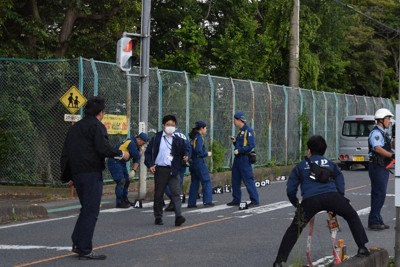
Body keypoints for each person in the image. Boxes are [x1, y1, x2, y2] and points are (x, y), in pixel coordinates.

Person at [273, 135, 369, 267]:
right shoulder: (330, 164)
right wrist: (338, 200)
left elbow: (290, 189)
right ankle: (362, 247)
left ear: (309, 150)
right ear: (324, 150)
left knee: (295, 229)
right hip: (332, 197)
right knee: (351, 215)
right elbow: (340, 183)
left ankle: (279, 261)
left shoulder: (300, 166)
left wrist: (296, 204)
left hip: (310, 200)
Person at [60, 96, 130, 260]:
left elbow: (67, 153)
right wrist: (121, 154)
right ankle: (84, 248)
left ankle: (78, 242)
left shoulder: (75, 128)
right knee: (91, 210)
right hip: (91, 173)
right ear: (100, 113)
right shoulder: (96, 126)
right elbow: (103, 148)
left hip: (77, 174)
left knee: (86, 208)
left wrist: (69, 175)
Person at [144, 114, 188, 226]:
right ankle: (158, 217)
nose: (170, 127)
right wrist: (150, 165)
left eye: (173, 125)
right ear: (163, 125)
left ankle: (179, 216)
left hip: (173, 170)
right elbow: (148, 153)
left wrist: (186, 156)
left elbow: (186, 150)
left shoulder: (178, 139)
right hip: (160, 169)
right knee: (159, 194)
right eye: (168, 125)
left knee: (176, 193)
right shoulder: (156, 138)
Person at [367, 108, 395, 230]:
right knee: (379, 193)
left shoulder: (383, 133)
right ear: (381, 120)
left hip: (382, 166)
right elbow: (377, 148)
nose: (389, 121)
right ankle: (374, 221)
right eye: (388, 119)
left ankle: (377, 219)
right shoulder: (376, 133)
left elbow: (389, 146)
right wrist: (392, 155)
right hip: (377, 167)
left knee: (378, 194)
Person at [107, 132, 149, 208]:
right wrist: (141, 152)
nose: (143, 145)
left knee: (127, 180)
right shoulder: (131, 142)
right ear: (139, 139)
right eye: (143, 143)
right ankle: (119, 202)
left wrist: (134, 170)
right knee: (121, 181)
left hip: (121, 162)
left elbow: (136, 159)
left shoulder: (137, 145)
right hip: (114, 161)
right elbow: (136, 155)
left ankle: (124, 199)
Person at [227, 111, 259, 207]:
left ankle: (255, 200)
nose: (234, 122)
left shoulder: (248, 131)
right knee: (235, 179)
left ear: (239, 120)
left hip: (244, 158)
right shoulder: (240, 132)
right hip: (237, 159)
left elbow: (251, 145)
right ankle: (236, 199)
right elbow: (239, 144)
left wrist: (240, 150)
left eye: (235, 120)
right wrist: (235, 141)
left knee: (248, 179)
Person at [187, 121, 214, 208]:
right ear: (201, 128)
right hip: (199, 162)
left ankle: (191, 203)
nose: (206, 130)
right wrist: (207, 153)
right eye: (206, 128)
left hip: (192, 162)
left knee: (194, 182)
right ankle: (207, 201)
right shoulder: (199, 138)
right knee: (206, 181)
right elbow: (198, 150)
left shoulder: (193, 137)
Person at [164, 128, 191, 212]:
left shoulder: (170, 136)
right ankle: (176, 201)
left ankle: (174, 200)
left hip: (172, 162)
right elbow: (188, 147)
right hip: (182, 162)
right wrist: (187, 156)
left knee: (165, 183)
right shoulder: (183, 135)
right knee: (178, 182)